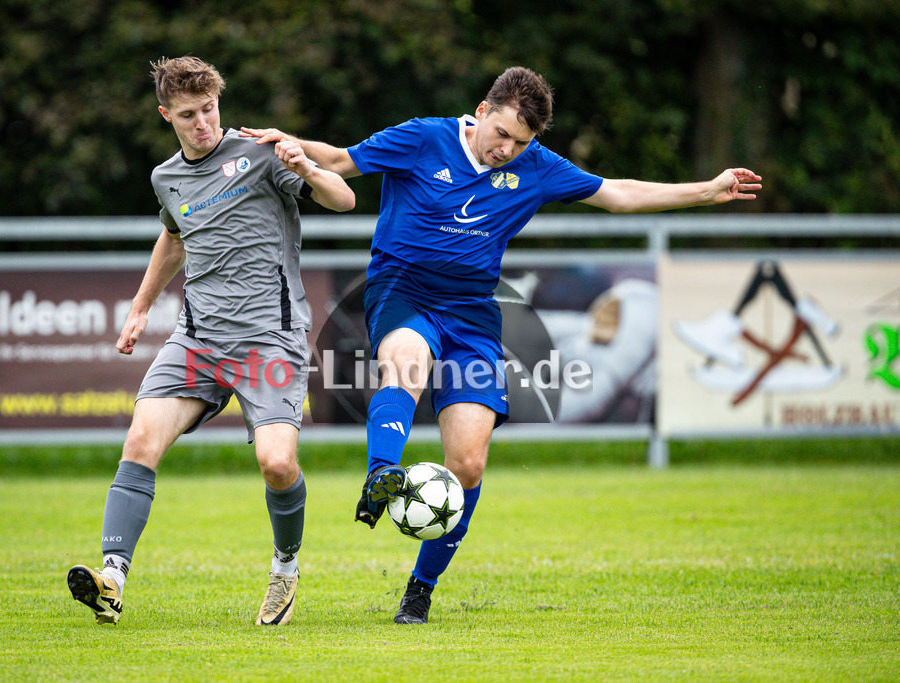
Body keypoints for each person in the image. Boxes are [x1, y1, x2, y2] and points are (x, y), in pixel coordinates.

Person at [244, 65, 761, 625]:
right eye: (502, 135)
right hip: (402, 290)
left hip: (471, 313)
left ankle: (419, 592)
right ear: (483, 111)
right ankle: (380, 474)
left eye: (521, 143)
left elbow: (617, 195)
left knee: (467, 465)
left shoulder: (535, 167)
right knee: (406, 362)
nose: (507, 150)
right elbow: (341, 158)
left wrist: (706, 190)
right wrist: (294, 145)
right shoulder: (424, 137)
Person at [66, 55, 355, 627]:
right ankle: (113, 578)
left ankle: (285, 569)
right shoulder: (165, 177)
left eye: (209, 109)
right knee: (141, 440)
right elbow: (174, 237)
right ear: (165, 114)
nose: (203, 123)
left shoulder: (261, 153)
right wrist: (141, 306)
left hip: (270, 339)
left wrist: (307, 164)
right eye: (189, 114)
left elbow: (342, 199)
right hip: (196, 340)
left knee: (277, 464)